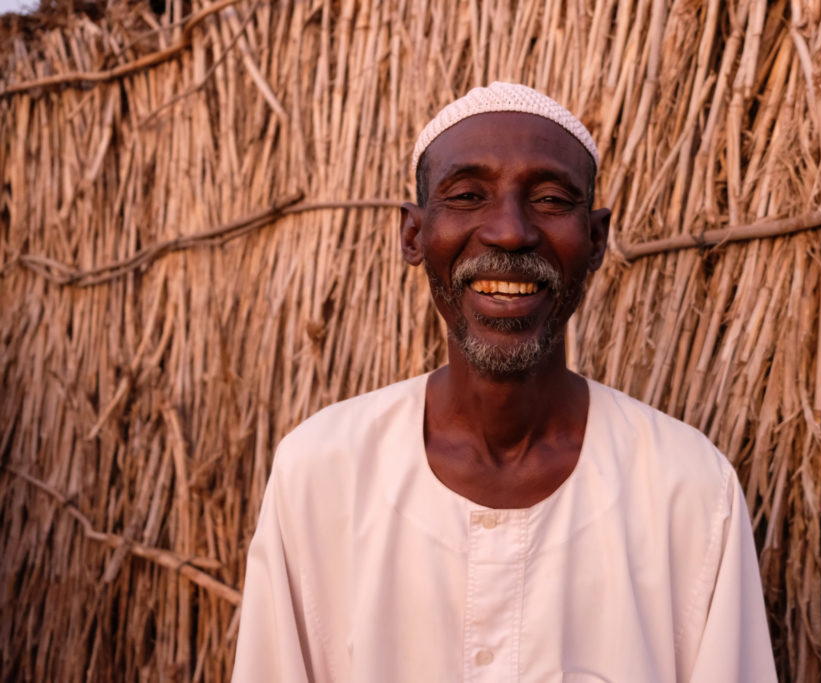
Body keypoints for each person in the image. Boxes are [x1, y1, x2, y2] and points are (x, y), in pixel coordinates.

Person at [232, 82, 776, 682]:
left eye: (548, 199)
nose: (510, 232)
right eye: (467, 196)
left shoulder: (688, 490)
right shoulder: (322, 473)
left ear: (595, 240)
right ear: (414, 235)